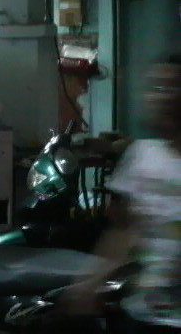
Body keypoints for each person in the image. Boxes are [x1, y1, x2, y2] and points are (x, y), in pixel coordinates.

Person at [65, 57, 181, 333]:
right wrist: (89, 286)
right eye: (153, 88)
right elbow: (122, 230)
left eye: (169, 88)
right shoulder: (142, 155)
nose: (156, 98)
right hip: (143, 311)